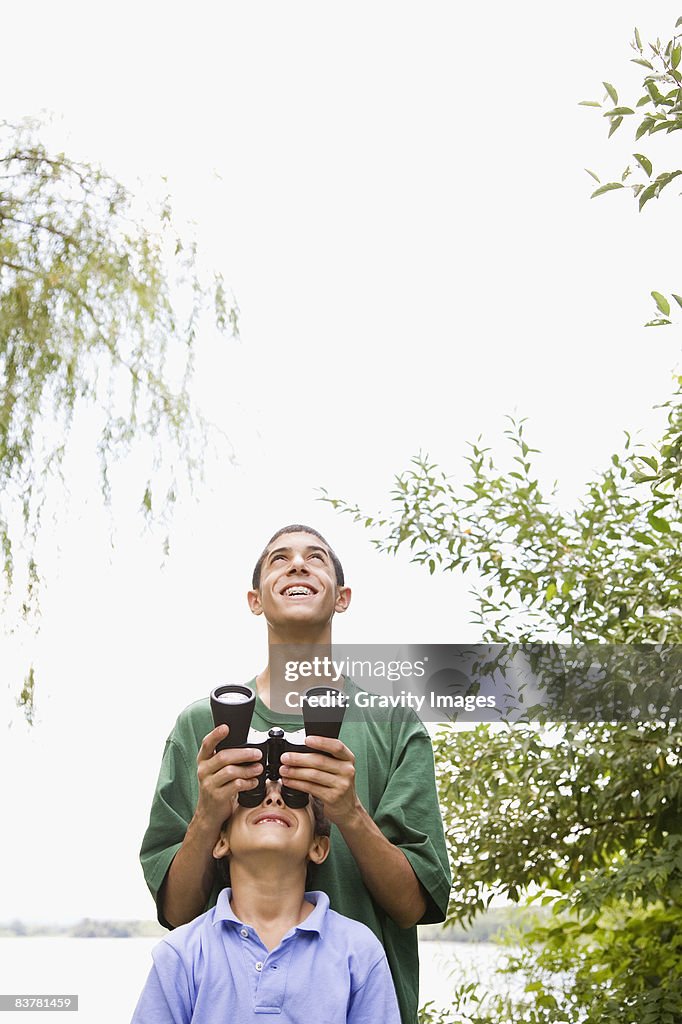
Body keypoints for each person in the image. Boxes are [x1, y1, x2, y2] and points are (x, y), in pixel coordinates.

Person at [140, 526, 451, 1024]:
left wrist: (348, 813)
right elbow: (178, 914)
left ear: (342, 598)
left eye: (317, 558)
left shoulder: (392, 722)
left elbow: (413, 906)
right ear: (255, 599)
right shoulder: (204, 727)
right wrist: (208, 816)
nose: (299, 565)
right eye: (279, 559)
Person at [132, 778, 401, 1023]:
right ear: (220, 840)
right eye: (252, 793)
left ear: (318, 847)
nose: (274, 799)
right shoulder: (182, 954)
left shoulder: (359, 952)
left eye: (295, 796)